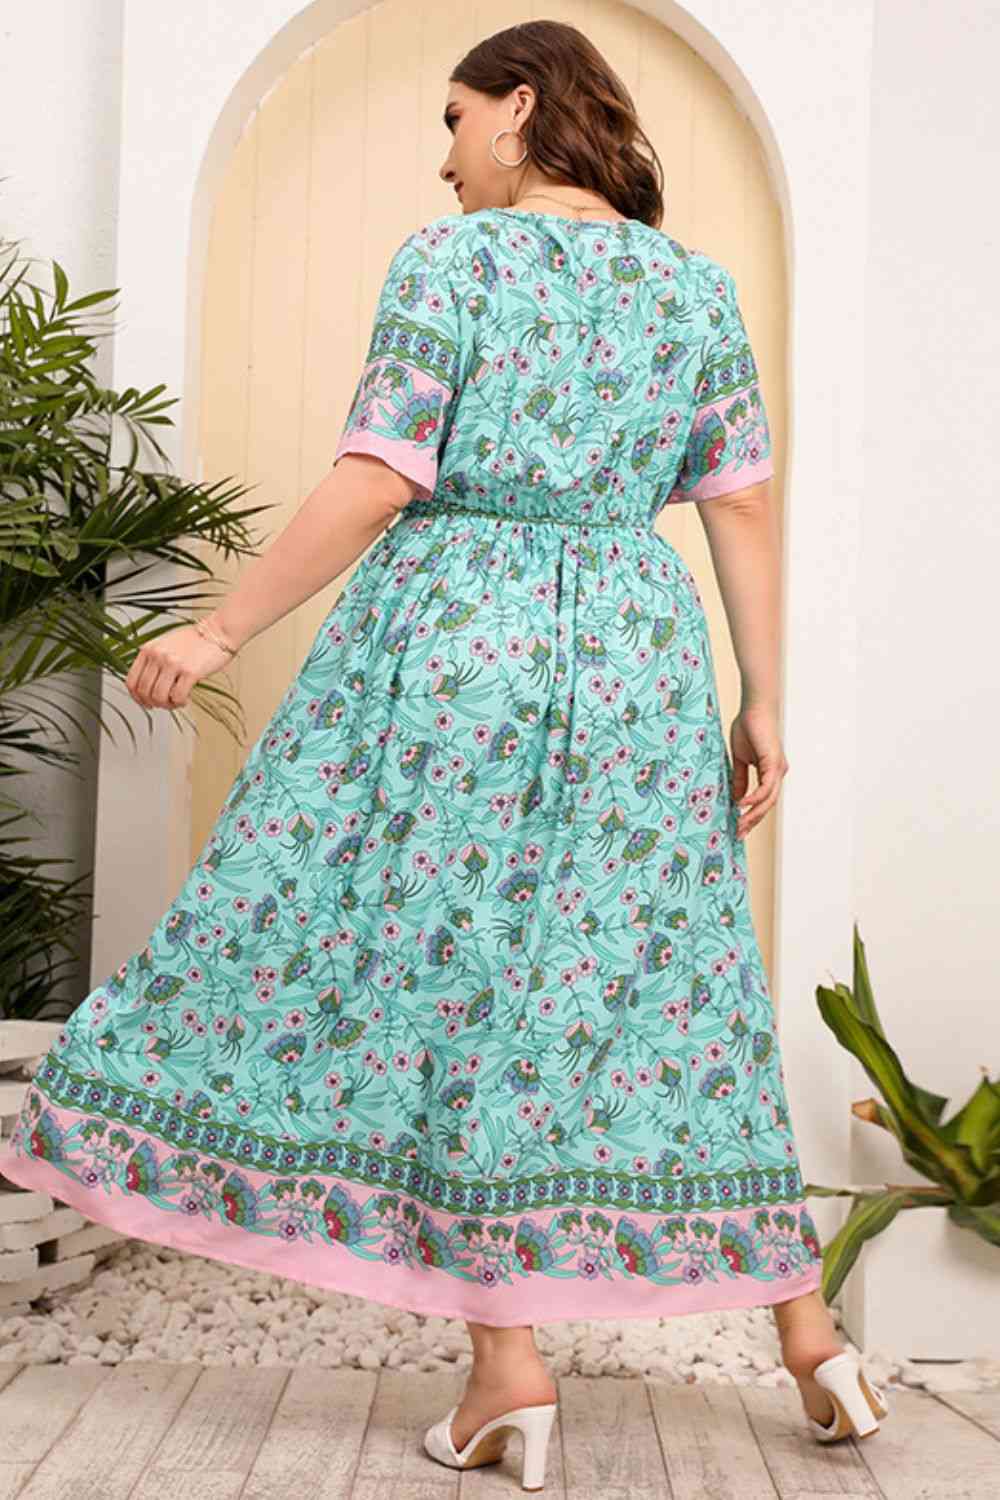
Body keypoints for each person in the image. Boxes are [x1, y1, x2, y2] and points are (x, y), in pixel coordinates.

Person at [0, 17, 890, 1487]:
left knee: (449, 980)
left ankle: (508, 1372)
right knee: (670, 983)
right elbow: (739, 501)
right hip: (637, 653)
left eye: (455, 119)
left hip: (460, 642)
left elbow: (380, 474)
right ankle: (812, 1337)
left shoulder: (452, 262)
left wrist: (219, 629)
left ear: (517, 110)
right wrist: (764, 701)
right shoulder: (694, 287)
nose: (445, 154)